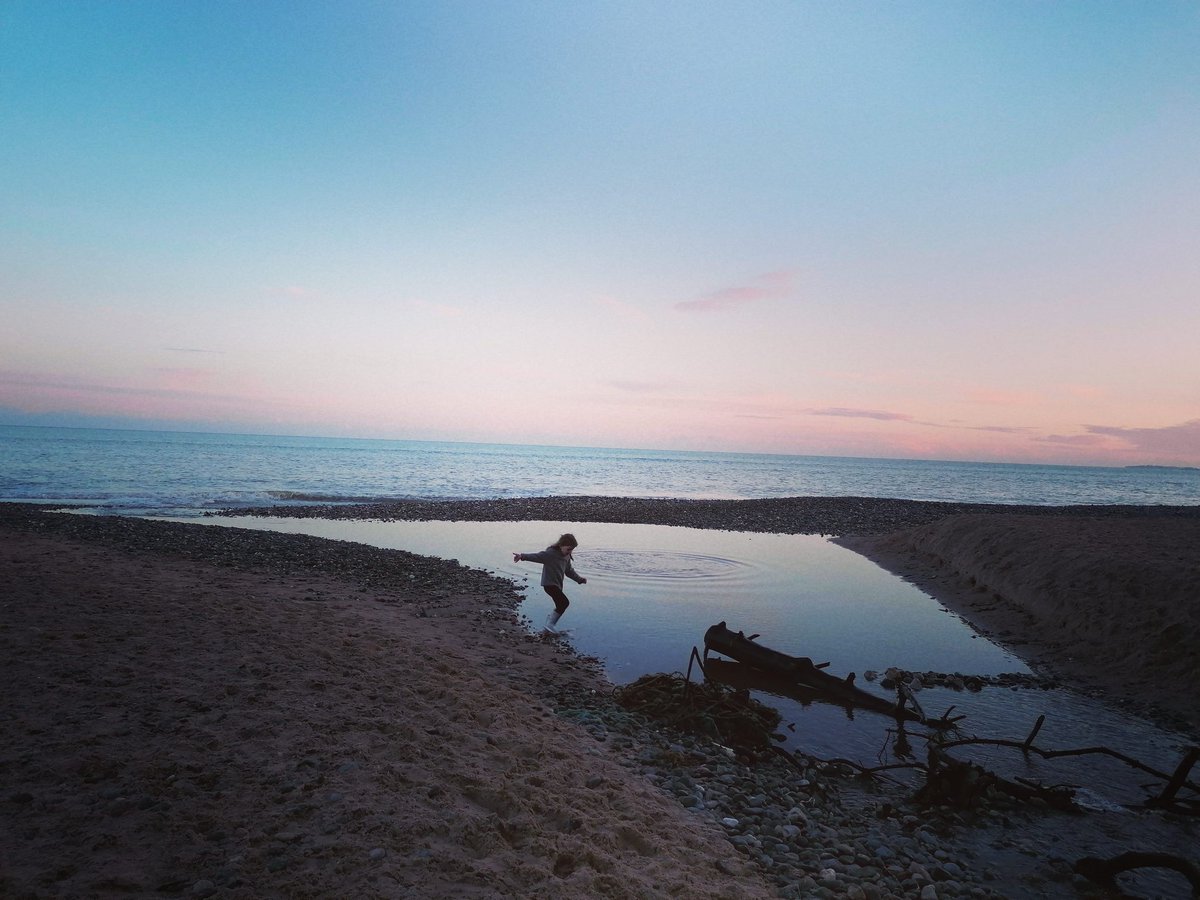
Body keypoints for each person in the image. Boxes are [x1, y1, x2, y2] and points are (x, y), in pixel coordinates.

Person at [513, 532, 587, 633]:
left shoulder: (567, 557)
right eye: (568, 549)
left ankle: (549, 624)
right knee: (564, 602)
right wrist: (522, 556)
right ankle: (550, 624)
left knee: (561, 604)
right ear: (561, 545)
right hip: (549, 584)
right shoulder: (550, 554)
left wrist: (579, 579)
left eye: (572, 549)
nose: (570, 552)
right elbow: (537, 556)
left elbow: (569, 571)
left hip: (557, 585)